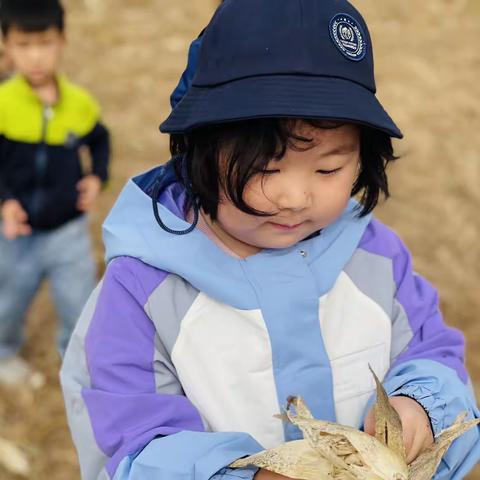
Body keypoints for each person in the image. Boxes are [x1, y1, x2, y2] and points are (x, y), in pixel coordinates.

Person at [61, 0, 479, 479]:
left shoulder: (377, 259)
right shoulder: (141, 293)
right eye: (264, 168)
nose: (295, 196)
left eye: (329, 168)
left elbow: (435, 357)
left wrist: (421, 410)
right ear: (199, 150)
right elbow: (131, 448)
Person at [0, 0, 110, 385]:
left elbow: (100, 140)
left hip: (68, 230)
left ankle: (76, 361)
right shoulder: (3, 104)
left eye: (44, 43)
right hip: (17, 234)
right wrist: (6, 202)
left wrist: (97, 176)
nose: (35, 57)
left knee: (79, 300)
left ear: (61, 41)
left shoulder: (78, 103)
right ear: (5, 46)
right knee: (8, 299)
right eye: (23, 45)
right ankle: (3, 352)